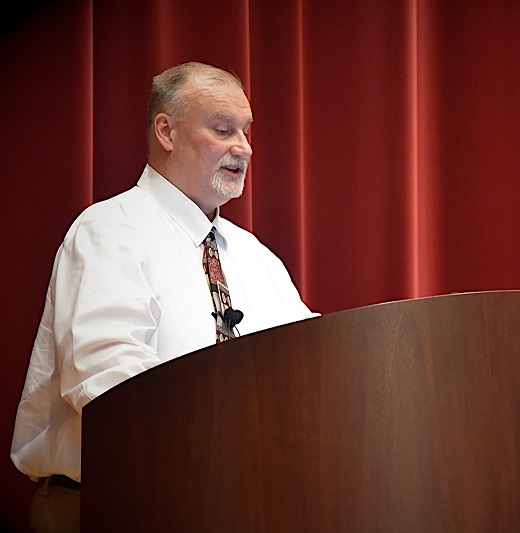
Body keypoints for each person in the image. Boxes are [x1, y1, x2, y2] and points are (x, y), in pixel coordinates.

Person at [10, 61, 318, 532]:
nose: (244, 147)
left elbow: (312, 360)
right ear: (166, 132)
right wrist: (222, 434)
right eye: (223, 129)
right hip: (113, 508)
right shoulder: (110, 230)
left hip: (234, 508)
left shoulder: (257, 258)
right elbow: (106, 379)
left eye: (246, 132)